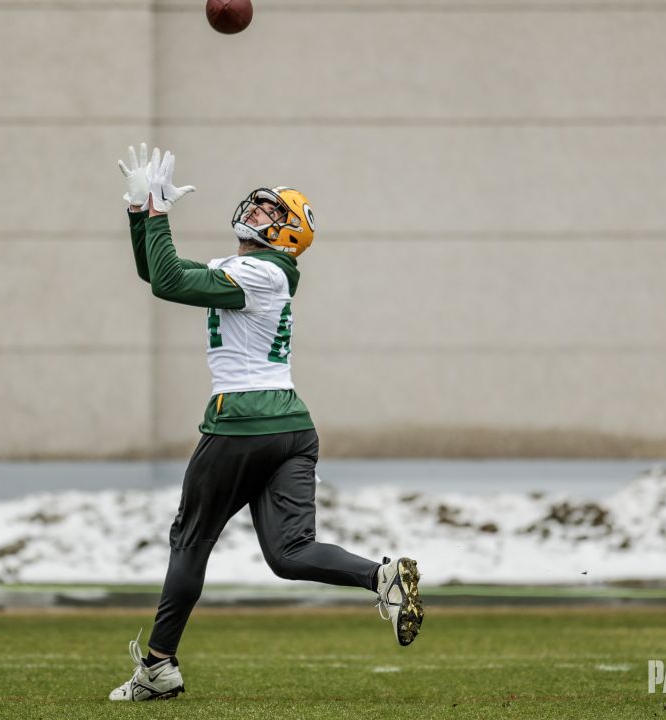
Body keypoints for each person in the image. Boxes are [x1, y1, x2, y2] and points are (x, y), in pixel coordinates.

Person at [107, 144, 423, 702]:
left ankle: (159, 668)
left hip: (242, 421)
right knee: (289, 553)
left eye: (272, 214)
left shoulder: (257, 271)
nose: (257, 213)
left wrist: (157, 215)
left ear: (288, 236)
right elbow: (157, 272)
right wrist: (140, 213)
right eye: (259, 207)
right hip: (292, 427)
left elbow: (169, 282)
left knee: (190, 541)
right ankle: (380, 576)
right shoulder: (257, 269)